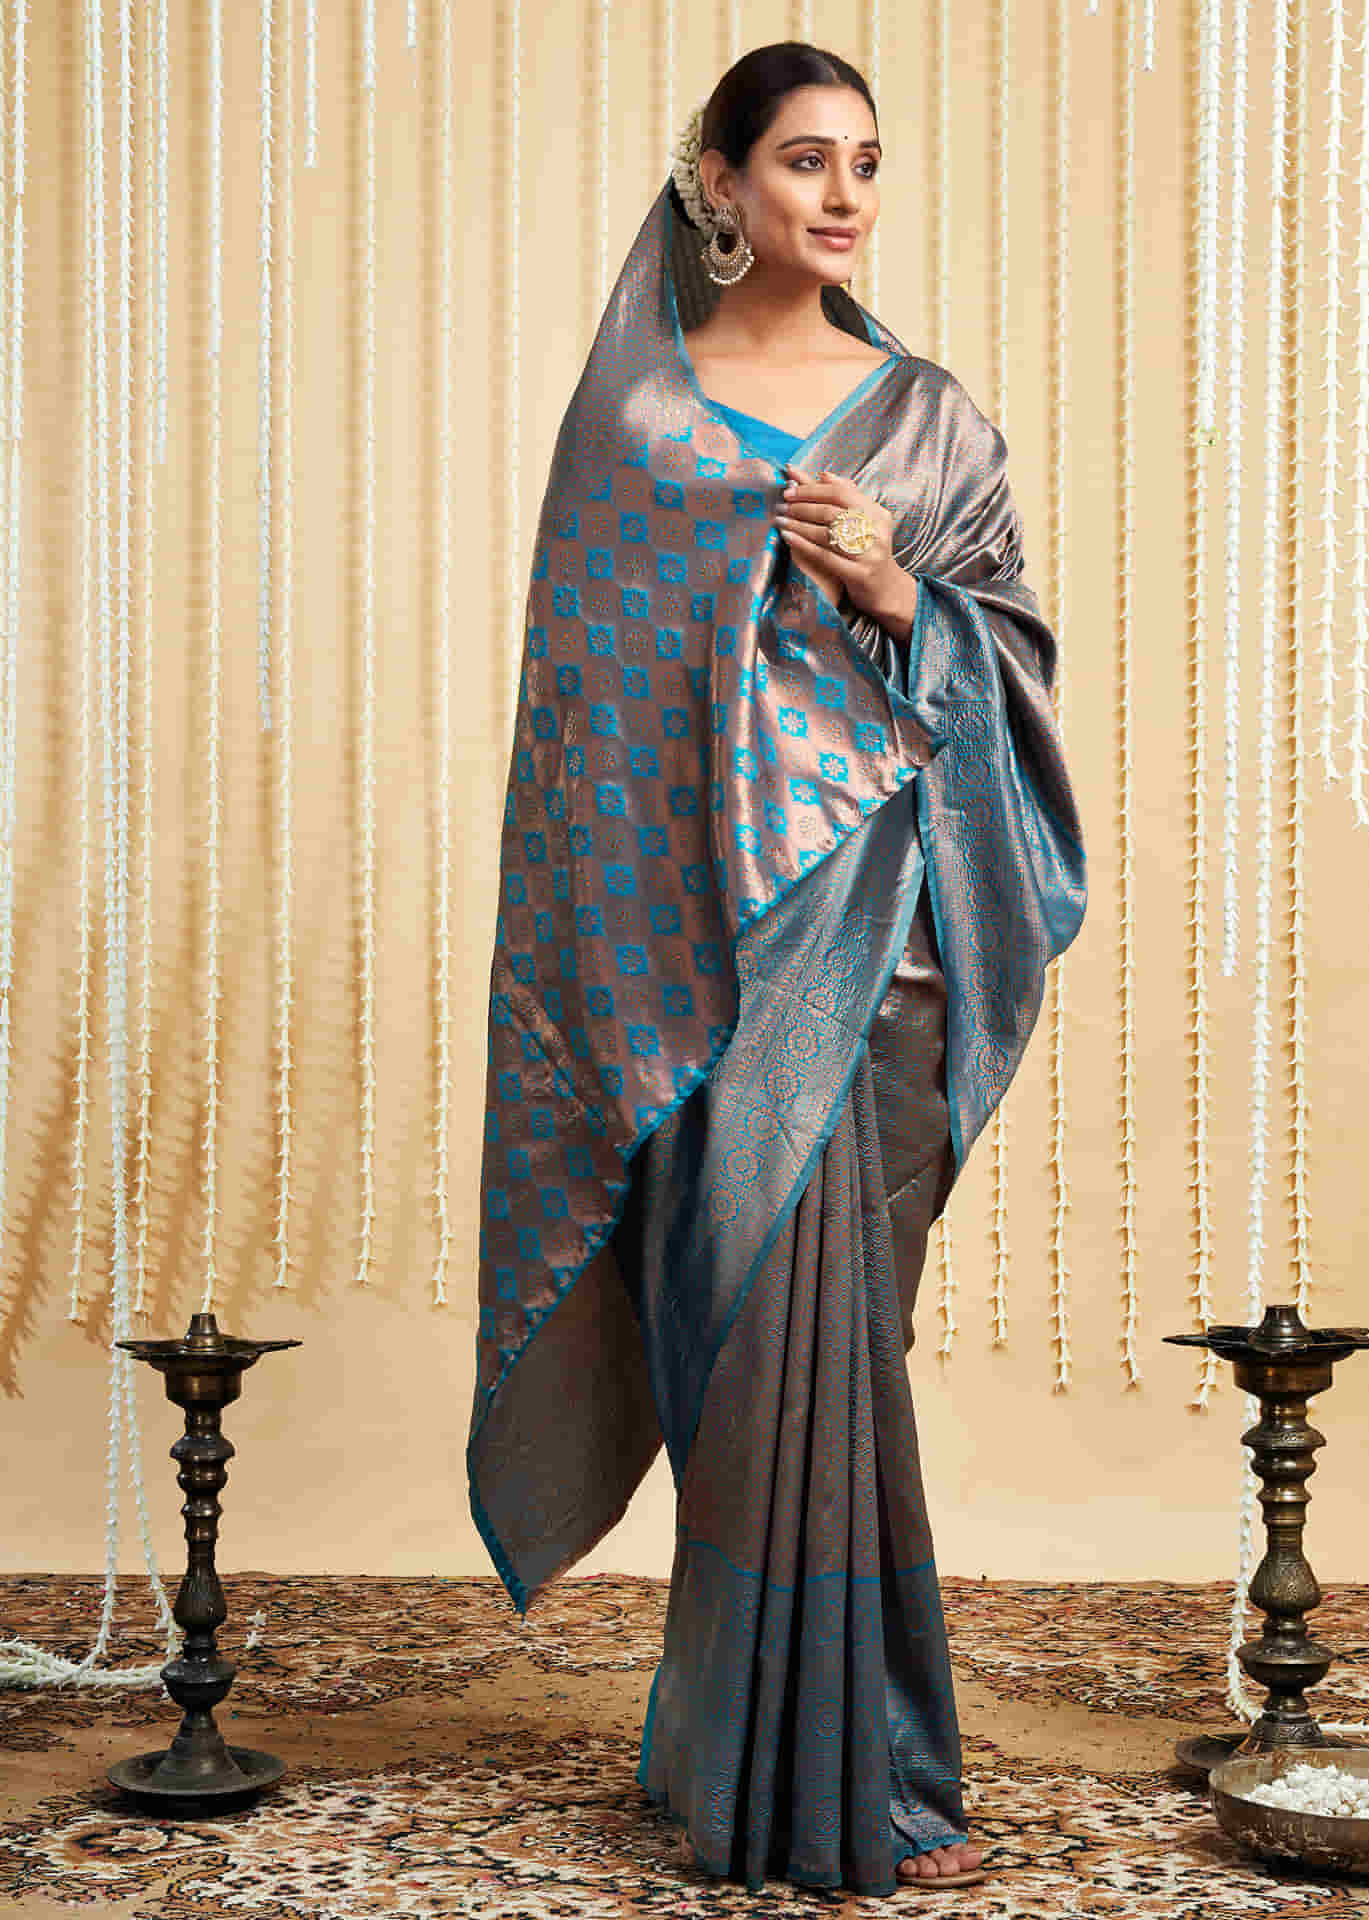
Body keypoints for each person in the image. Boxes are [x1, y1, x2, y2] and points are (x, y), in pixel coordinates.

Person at [467, 40, 1088, 1898]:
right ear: (718, 183)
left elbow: (1013, 681)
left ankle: (856, 1765)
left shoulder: (927, 422)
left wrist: (905, 598)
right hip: (692, 971)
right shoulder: (634, 428)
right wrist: (612, 967)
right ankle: (742, 1757)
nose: (839, 196)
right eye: (802, 160)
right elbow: (582, 723)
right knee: (742, 1343)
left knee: (845, 1351)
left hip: (874, 946)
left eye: (865, 165)